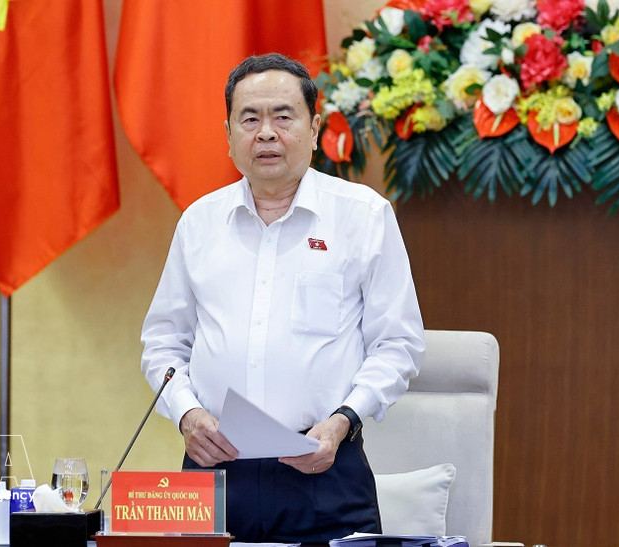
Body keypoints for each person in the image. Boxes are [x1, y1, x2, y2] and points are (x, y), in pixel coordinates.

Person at [140, 53, 425, 543]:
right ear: (228, 133)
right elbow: (163, 344)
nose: (266, 133)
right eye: (249, 119)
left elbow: (398, 344)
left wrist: (341, 423)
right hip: (214, 470)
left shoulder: (363, 216)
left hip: (324, 469)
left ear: (314, 128)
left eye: (283, 116)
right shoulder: (199, 223)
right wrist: (187, 413)